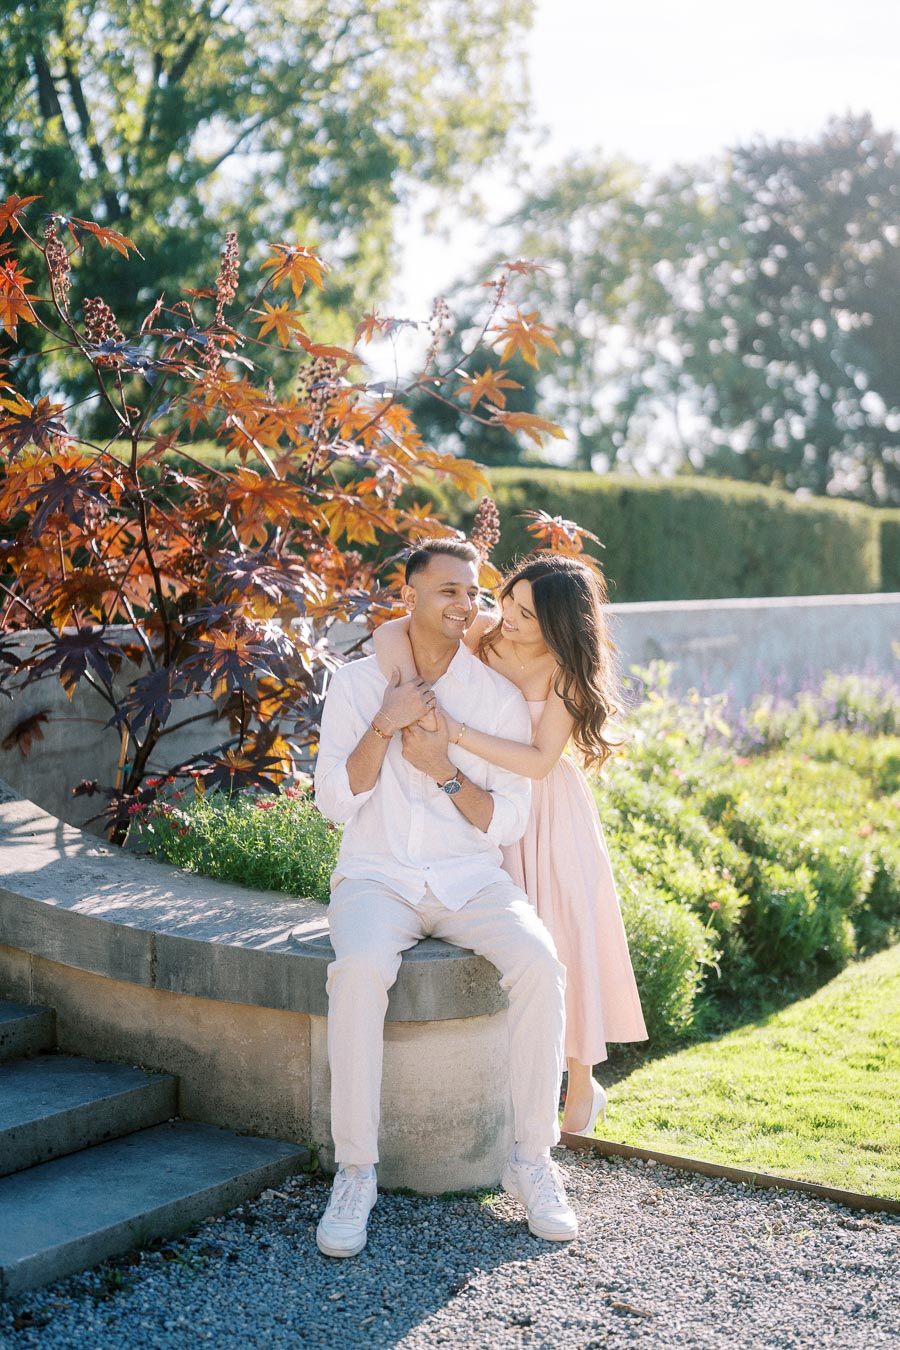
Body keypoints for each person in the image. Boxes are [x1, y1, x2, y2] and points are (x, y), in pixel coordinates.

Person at [313, 538, 577, 1259]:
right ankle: (356, 1170)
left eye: (474, 593)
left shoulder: (495, 696)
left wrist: (444, 773)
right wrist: (386, 723)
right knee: (359, 971)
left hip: (471, 878)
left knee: (540, 963)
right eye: (447, 591)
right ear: (409, 597)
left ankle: (531, 1159)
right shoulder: (360, 684)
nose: (466, 605)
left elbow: (511, 818)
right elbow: (335, 802)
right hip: (377, 875)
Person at [374, 552, 647, 1138]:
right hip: (482, 802)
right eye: (509, 601)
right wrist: (408, 690)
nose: (510, 618)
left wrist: (457, 734)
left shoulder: (565, 672)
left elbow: (542, 760)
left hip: (550, 812)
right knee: (511, 940)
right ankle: (519, 1081)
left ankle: (580, 1085)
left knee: (563, 933)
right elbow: (390, 630)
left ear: (559, 622)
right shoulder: (480, 634)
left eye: (526, 612)